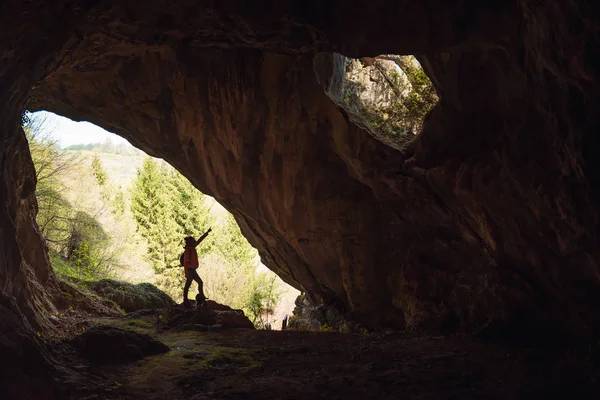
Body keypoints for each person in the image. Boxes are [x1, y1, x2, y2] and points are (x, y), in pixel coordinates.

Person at [181, 228, 211, 308]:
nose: (195, 242)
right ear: (191, 243)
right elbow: (185, 263)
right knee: (197, 283)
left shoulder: (192, 247)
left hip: (192, 270)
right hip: (191, 271)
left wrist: (206, 233)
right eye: (193, 241)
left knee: (189, 285)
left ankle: (187, 300)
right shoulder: (188, 250)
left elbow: (200, 240)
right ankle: (196, 298)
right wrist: (187, 273)